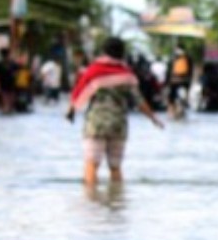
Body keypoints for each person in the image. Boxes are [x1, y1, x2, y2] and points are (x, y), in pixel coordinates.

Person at [65, 37, 164, 186]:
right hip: (118, 125)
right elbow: (139, 101)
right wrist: (153, 118)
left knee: (92, 164)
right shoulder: (127, 75)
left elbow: (80, 92)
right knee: (115, 167)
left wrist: (71, 111)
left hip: (96, 124)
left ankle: (91, 203)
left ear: (104, 51)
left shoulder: (94, 70)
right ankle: (117, 202)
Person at [166, 45, 194, 118]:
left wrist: (168, 81)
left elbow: (169, 71)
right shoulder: (188, 58)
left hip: (175, 81)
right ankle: (179, 110)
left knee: (171, 98)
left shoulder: (173, 58)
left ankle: (172, 111)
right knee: (181, 97)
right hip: (184, 81)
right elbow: (191, 71)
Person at [0, 49, 17, 114]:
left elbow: (17, 72)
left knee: (10, 95)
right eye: (8, 55)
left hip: (10, 83)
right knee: (5, 95)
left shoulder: (12, 64)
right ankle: (6, 108)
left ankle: (9, 108)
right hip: (5, 83)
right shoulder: (0, 64)